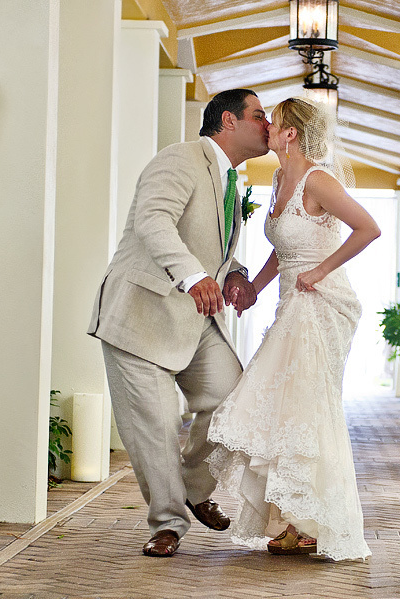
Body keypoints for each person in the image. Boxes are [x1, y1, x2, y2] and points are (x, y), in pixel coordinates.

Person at [87, 89, 269, 557]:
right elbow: (153, 220)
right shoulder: (180, 159)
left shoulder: (230, 181)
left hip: (195, 318)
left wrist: (236, 275)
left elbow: (217, 251)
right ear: (228, 121)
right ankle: (167, 522)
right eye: (259, 116)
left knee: (234, 401)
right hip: (141, 315)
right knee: (156, 426)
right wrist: (193, 276)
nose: (267, 125)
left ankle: (190, 485)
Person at [206, 97, 381, 561]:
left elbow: (368, 229)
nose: (265, 128)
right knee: (288, 411)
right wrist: (256, 288)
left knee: (303, 407)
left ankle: (311, 521)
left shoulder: (317, 179)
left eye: (273, 122)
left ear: (290, 134)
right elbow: (282, 249)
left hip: (321, 305)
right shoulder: (279, 179)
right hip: (289, 300)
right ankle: (294, 521)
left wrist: (321, 272)